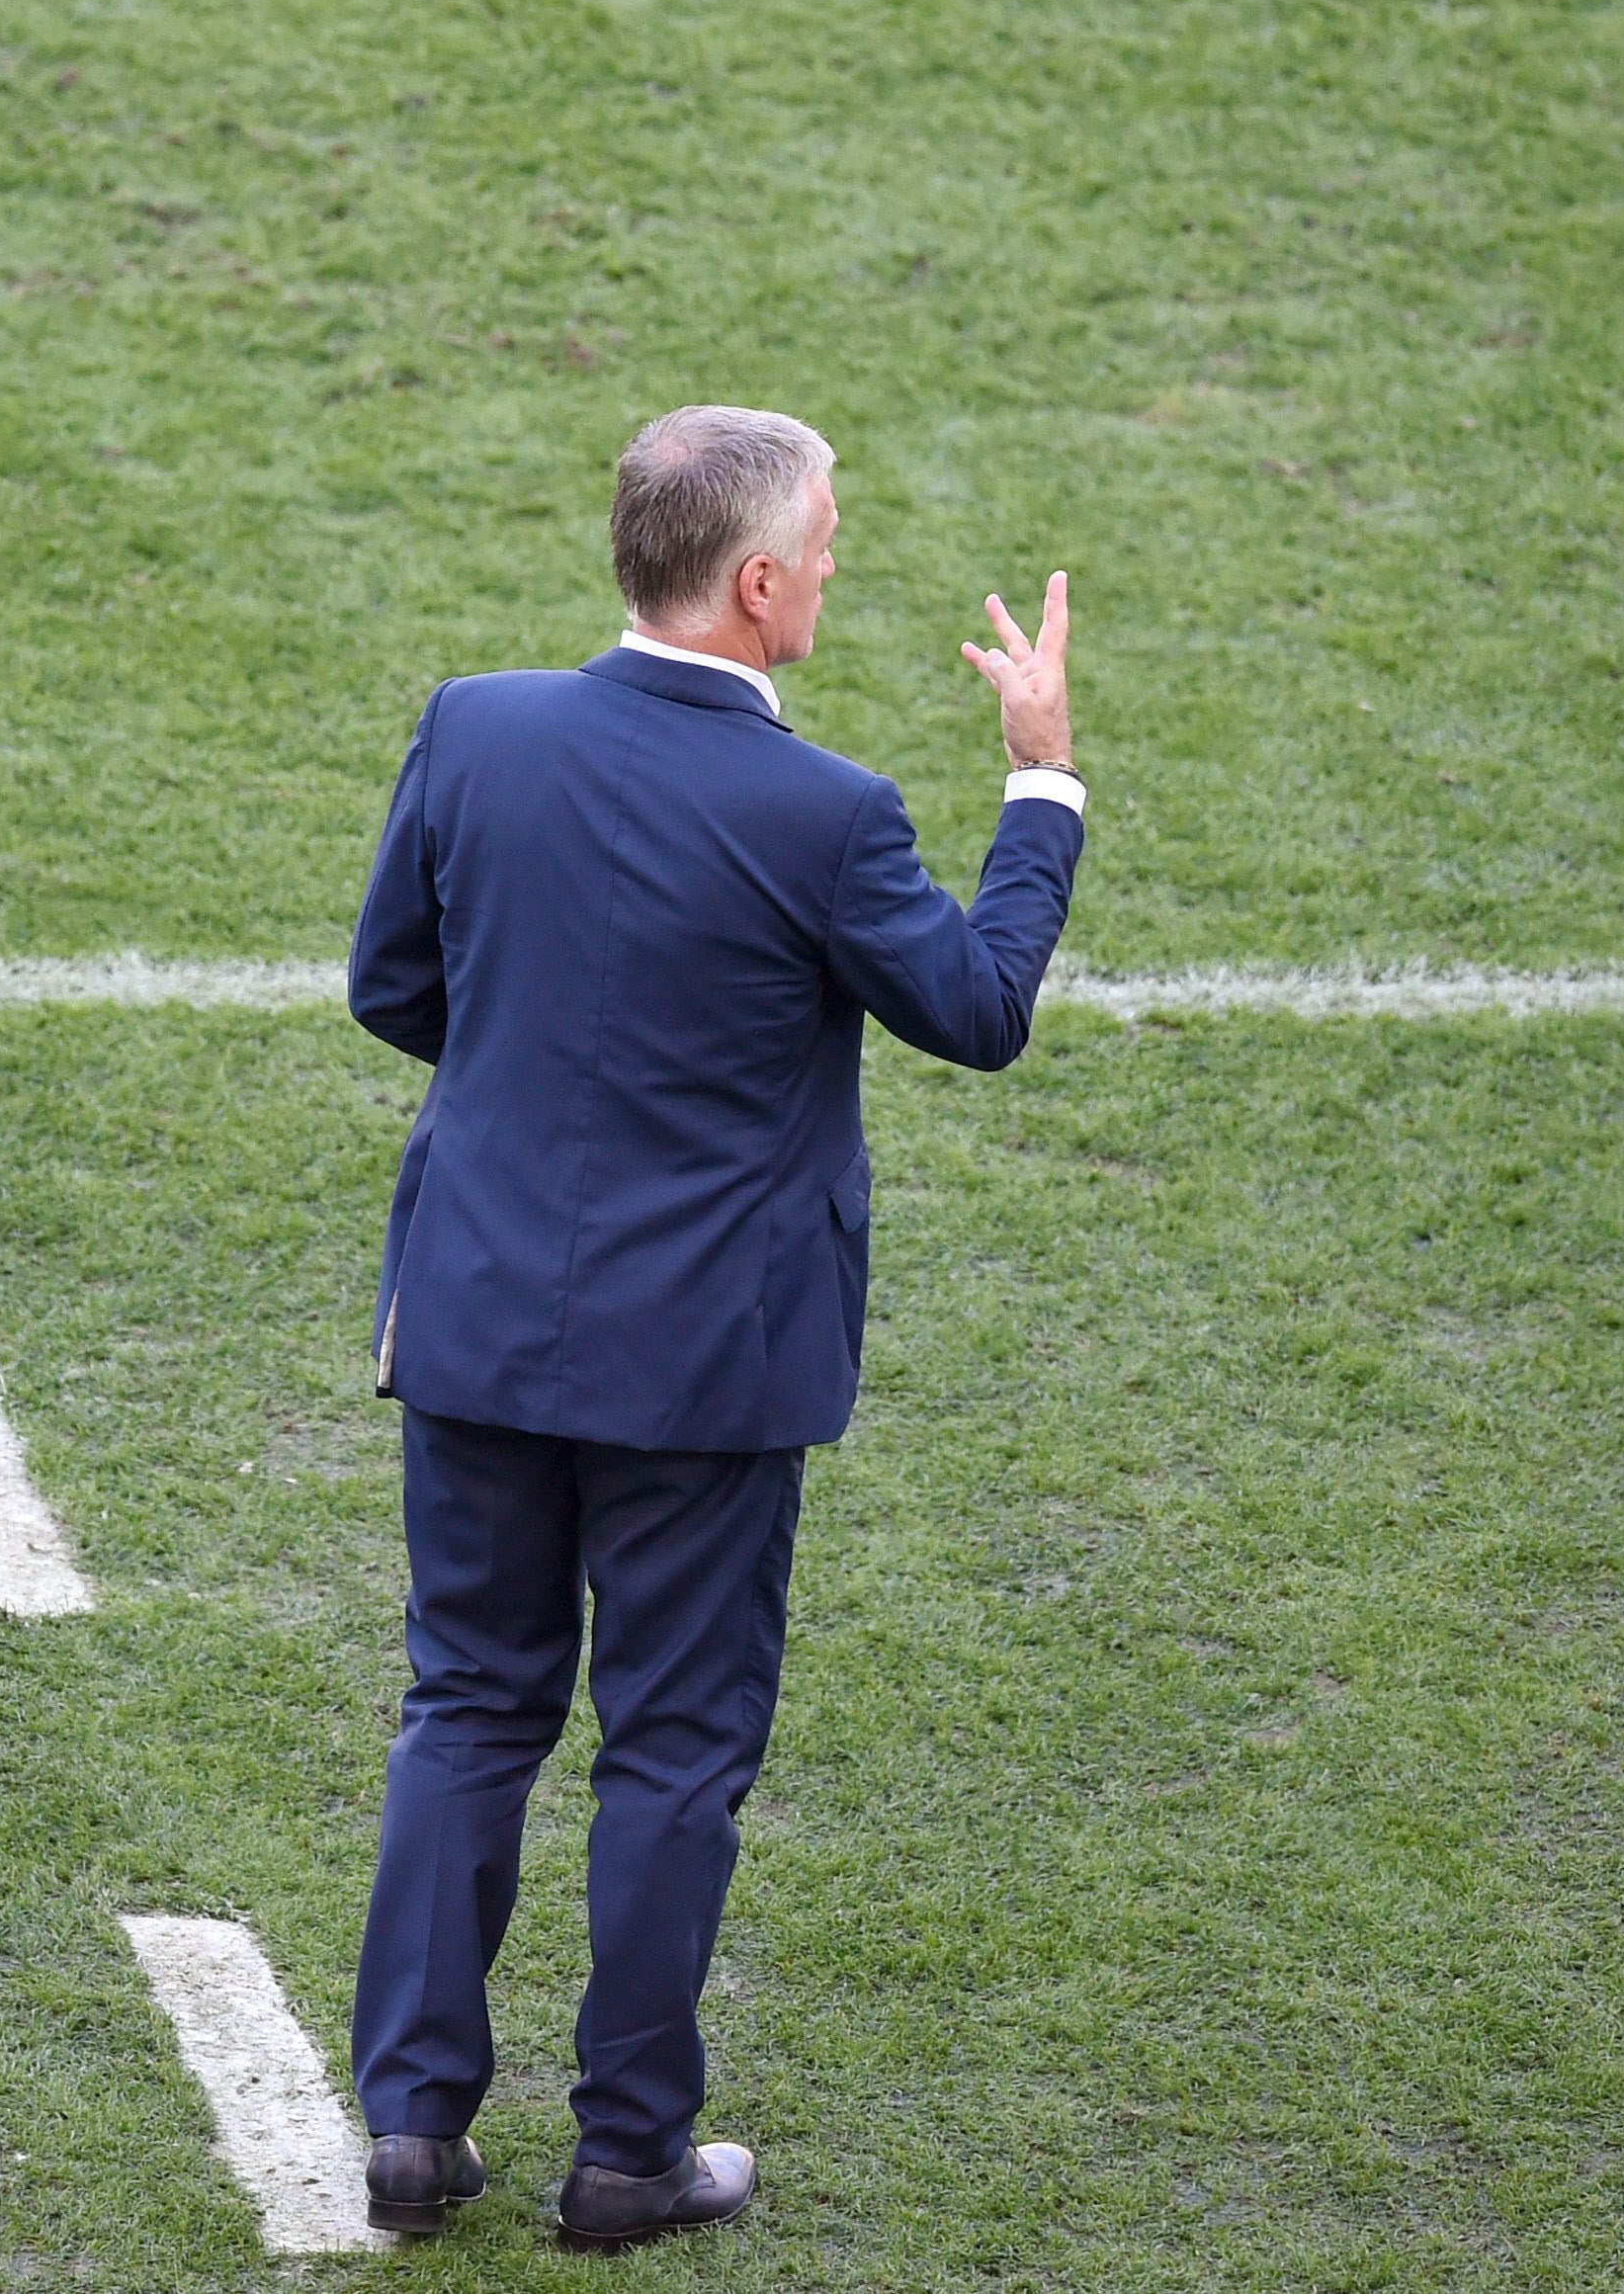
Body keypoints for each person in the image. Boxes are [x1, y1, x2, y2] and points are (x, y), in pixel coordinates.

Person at [342, 404, 1085, 2246]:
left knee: (467, 1710)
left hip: (482, 1319)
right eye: (827, 543)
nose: (836, 567)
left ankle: (415, 2135)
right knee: (671, 1751)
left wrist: (541, 1100)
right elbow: (980, 1010)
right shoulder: (822, 815)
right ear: (756, 585)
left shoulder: (476, 724)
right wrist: (1043, 781)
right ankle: (626, 2158)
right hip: (708, 1368)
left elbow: (389, 987)